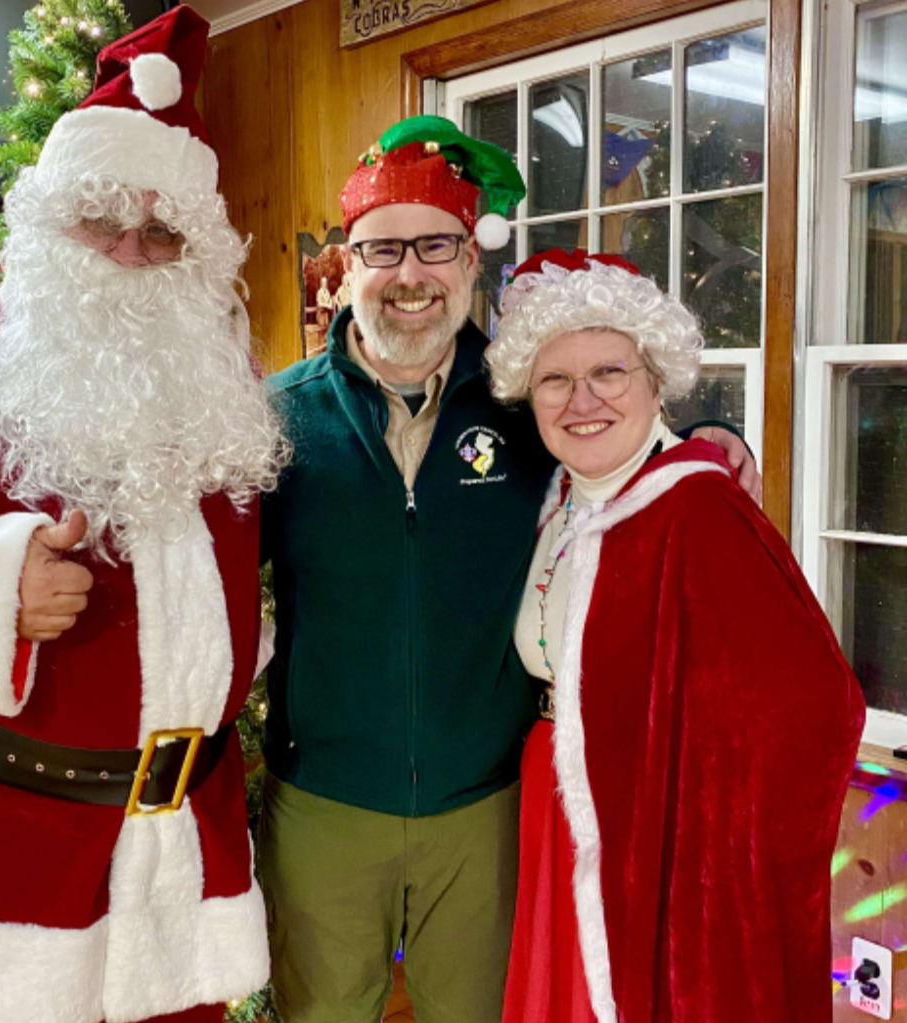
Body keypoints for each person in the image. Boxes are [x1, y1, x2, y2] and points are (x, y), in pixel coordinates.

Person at [0, 9, 286, 1023]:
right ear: (44, 221)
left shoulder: (224, 395)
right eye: (100, 216)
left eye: (165, 230)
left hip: (173, 868)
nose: (131, 250)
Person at [258, 116, 761, 1023]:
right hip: (324, 808)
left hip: (485, 810)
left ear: (471, 260)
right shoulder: (274, 421)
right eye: (382, 249)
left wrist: (711, 438)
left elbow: (617, 440)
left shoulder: (525, 403)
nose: (410, 275)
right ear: (346, 264)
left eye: (438, 244)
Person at [486, 249, 864, 1023]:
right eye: (555, 379)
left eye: (609, 373)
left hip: (654, 836)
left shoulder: (699, 509)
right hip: (554, 812)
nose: (581, 399)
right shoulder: (558, 495)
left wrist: (701, 821)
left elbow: (817, 706)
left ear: (655, 381)